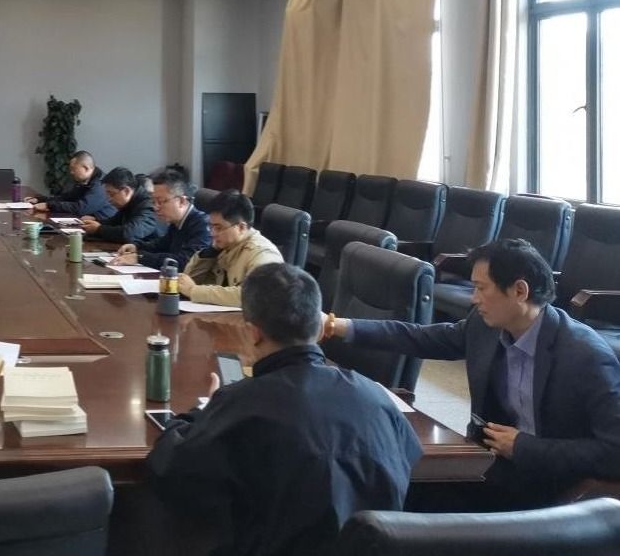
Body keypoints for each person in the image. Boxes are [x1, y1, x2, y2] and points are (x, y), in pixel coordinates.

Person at [148, 263, 422, 556]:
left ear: (253, 333)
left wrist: (203, 411)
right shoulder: (376, 396)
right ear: (320, 328)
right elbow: (411, 455)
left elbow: (169, 469)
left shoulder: (243, 403)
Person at [324, 238, 620, 508]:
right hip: (494, 464)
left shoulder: (586, 356)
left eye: (481, 288)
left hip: (553, 489)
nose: (473, 299)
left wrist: (526, 448)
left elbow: (614, 452)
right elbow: (420, 337)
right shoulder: (485, 326)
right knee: (386, 483)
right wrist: (335, 325)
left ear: (519, 291)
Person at [178, 190, 283, 307]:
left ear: (241, 227)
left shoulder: (262, 254)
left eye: (219, 228)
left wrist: (194, 291)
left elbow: (251, 296)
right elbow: (187, 281)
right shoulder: (223, 246)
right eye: (211, 227)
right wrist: (210, 253)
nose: (212, 233)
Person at [110, 169, 210, 269]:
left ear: (181, 201)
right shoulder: (176, 222)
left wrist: (140, 258)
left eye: (161, 201)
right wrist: (136, 247)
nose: (155, 207)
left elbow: (186, 261)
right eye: (153, 202)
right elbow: (160, 245)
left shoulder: (203, 225)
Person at [80, 166, 163, 244]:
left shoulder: (148, 205)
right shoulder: (130, 202)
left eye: (112, 194)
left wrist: (99, 229)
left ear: (126, 191)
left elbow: (129, 233)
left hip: (151, 252)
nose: (109, 199)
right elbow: (113, 222)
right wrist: (93, 224)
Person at [25, 150, 115, 221]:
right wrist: (42, 199)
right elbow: (67, 198)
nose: (71, 172)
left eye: (73, 169)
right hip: (87, 222)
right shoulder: (85, 181)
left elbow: (81, 208)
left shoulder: (100, 184)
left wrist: (49, 205)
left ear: (86, 168)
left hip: (103, 225)